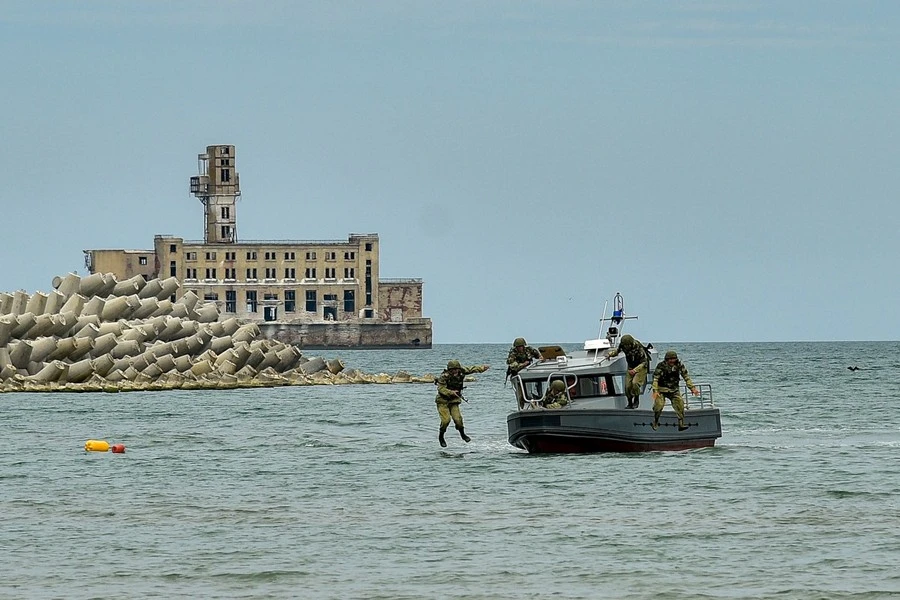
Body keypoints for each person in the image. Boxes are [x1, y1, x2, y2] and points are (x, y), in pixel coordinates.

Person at [434, 359, 490, 447]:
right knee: (446, 421)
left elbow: (472, 369)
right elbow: (441, 389)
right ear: (449, 370)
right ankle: (441, 437)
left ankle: (462, 434)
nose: (455, 371)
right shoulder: (444, 376)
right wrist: (451, 392)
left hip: (454, 401)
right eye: (453, 370)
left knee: (458, 420)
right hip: (443, 401)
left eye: (457, 369)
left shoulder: (462, 371)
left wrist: (482, 368)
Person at [650, 350, 700, 431]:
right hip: (661, 389)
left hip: (674, 389)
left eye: (674, 359)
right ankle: (655, 421)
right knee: (658, 406)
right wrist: (655, 391)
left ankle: (681, 424)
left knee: (680, 405)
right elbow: (655, 379)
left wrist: (692, 388)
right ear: (666, 360)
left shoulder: (679, 365)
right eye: (670, 359)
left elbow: (686, 376)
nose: (672, 361)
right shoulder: (661, 366)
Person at [607, 333, 650, 409]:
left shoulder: (638, 347)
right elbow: (617, 351)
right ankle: (629, 402)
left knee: (635, 383)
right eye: (625, 345)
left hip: (640, 367)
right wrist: (610, 354)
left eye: (627, 345)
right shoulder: (623, 345)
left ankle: (636, 399)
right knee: (627, 387)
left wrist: (635, 370)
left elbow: (644, 362)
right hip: (631, 367)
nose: (626, 347)